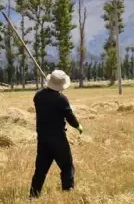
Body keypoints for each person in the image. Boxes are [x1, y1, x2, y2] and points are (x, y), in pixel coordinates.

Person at [29, 70, 83, 198]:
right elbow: (70, 117)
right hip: (58, 139)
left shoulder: (38, 96)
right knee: (67, 166)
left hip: (43, 139)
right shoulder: (61, 99)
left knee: (40, 170)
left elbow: (46, 101)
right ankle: (68, 191)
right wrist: (78, 126)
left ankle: (33, 195)